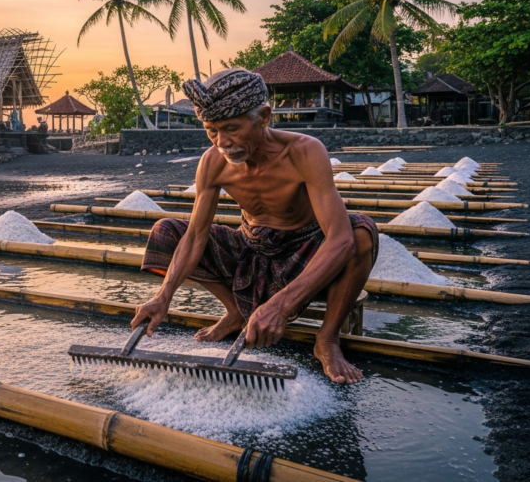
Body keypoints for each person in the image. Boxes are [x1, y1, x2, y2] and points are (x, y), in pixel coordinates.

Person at [130, 69, 378, 384]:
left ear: (262, 117)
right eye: (211, 131)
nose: (222, 142)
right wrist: (164, 296)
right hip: (251, 248)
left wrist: (282, 305)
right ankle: (236, 313)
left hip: (302, 250)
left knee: (360, 233)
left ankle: (327, 339)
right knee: (167, 231)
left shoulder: (304, 151)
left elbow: (339, 241)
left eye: (231, 128)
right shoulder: (213, 162)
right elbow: (195, 236)